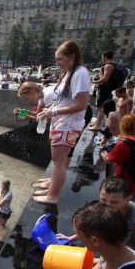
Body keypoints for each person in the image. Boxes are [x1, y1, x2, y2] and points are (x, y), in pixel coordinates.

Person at [33, 41, 90, 205]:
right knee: (57, 159)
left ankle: (53, 196)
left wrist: (54, 112)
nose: (57, 63)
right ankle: (52, 186)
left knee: (59, 161)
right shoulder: (69, 73)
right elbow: (62, 100)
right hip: (61, 123)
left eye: (60, 59)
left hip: (68, 125)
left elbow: (82, 104)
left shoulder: (80, 74)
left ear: (72, 57)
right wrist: (49, 110)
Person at [57, 177, 135, 252]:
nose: (107, 205)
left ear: (128, 199)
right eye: (103, 200)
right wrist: (71, 238)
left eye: (114, 202)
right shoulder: (110, 205)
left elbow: (127, 255)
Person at [101, 115, 135, 200]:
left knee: (118, 206)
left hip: (124, 181)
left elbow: (108, 160)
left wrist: (103, 150)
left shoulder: (124, 143)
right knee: (130, 205)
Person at [89, 51, 116, 130]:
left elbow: (105, 79)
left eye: (102, 56)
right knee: (100, 107)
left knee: (100, 107)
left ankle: (97, 125)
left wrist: (95, 81)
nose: (101, 58)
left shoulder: (108, 66)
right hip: (106, 89)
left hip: (104, 89)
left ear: (105, 56)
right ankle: (97, 122)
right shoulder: (112, 65)